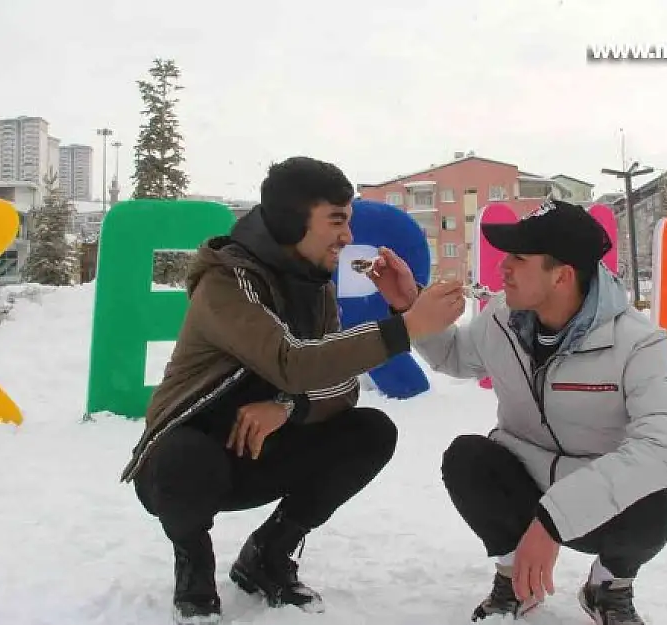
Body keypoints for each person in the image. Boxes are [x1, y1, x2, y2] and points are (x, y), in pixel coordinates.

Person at [118, 156, 465, 624]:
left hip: (261, 450)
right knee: (184, 458)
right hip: (189, 459)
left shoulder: (314, 282)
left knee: (369, 431)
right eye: (336, 221)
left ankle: (267, 555)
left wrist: (288, 408)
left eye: (350, 220)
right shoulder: (226, 281)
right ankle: (194, 570)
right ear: (289, 221)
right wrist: (404, 327)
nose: (347, 236)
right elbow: (292, 360)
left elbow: (339, 381)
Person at [366, 198, 667, 625]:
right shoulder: (503, 317)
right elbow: (456, 358)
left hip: (592, 493)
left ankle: (608, 586)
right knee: (467, 458)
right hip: (523, 472)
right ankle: (514, 578)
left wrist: (555, 518)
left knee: (654, 511)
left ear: (562, 275)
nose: (503, 268)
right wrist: (410, 303)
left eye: (519, 258)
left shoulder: (637, 341)